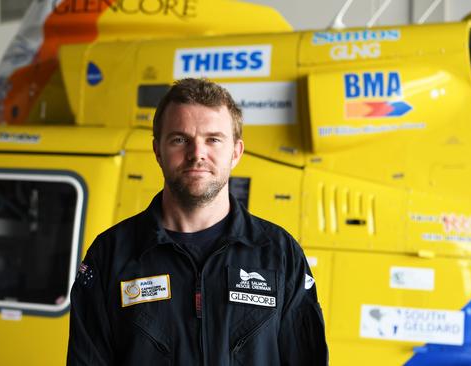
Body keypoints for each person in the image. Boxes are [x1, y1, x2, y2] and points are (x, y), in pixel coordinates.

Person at [67, 78, 328, 365]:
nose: (197, 154)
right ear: (157, 150)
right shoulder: (110, 255)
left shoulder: (279, 253)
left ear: (236, 152)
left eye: (213, 139)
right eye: (180, 139)